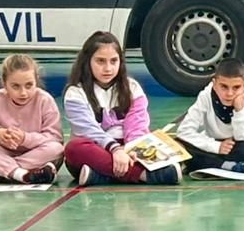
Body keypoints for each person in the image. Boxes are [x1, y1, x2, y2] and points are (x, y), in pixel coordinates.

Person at [63, 32, 177, 187]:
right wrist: (115, 150)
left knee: (170, 144)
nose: (108, 68)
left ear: (121, 62)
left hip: (129, 149)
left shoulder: (133, 88)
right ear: (87, 61)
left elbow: (137, 127)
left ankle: (102, 176)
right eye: (100, 61)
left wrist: (129, 150)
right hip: (96, 149)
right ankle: (144, 175)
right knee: (73, 149)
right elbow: (88, 130)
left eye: (113, 61)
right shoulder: (75, 92)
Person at [0, 54, 64, 185]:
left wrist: (25, 138)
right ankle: (21, 173)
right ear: (4, 84)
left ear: (37, 81)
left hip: (33, 154)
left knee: (56, 149)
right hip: (3, 152)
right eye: (15, 86)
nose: (23, 93)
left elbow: (55, 137)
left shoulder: (44, 100)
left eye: (29, 85)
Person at [175, 58, 244, 179]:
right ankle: (232, 167)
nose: (229, 93)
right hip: (212, 146)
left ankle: (204, 165)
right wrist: (216, 146)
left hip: (238, 146)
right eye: (224, 87)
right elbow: (184, 131)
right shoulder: (205, 96)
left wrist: (239, 110)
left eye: (236, 87)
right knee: (179, 143)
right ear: (214, 83)